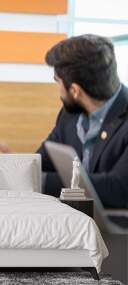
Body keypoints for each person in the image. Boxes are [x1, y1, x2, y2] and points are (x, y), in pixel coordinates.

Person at [35, 34, 128, 209]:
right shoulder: (70, 115)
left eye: (57, 82)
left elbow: (120, 188)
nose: (58, 90)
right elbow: (42, 159)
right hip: (76, 220)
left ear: (75, 90)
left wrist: (42, 181)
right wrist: (16, 166)